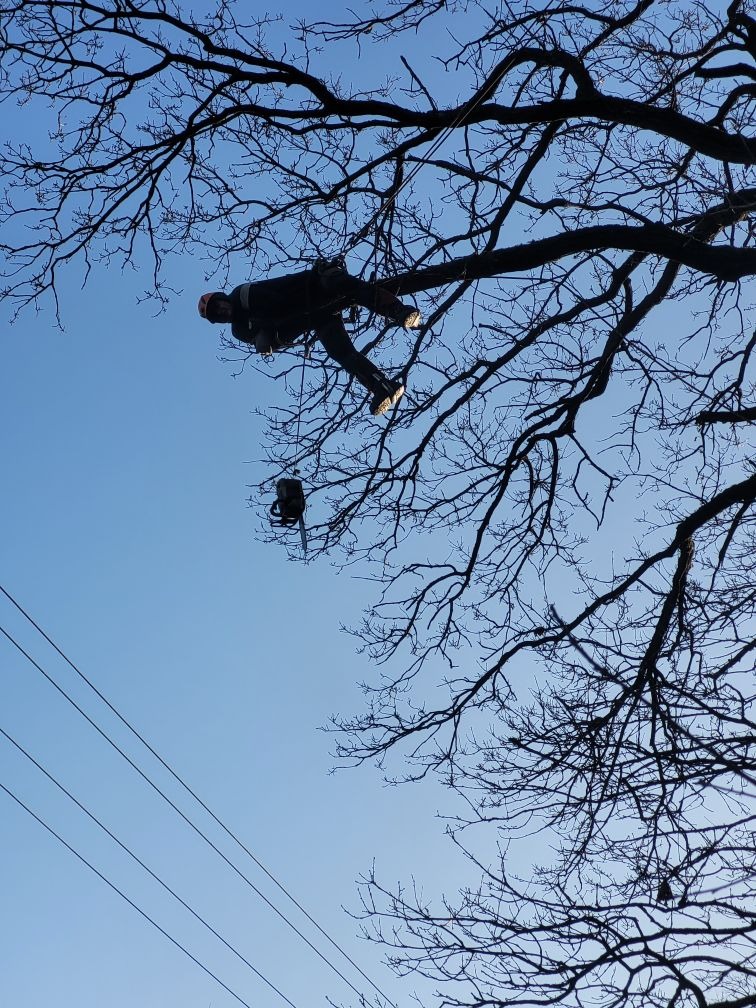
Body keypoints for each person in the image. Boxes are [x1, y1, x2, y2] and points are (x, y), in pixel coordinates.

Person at [198, 258, 421, 416]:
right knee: (340, 352)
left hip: (315, 286)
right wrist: (267, 339)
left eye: (220, 306)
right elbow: (274, 340)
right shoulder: (239, 331)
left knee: (345, 286)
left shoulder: (242, 294)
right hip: (314, 317)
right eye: (217, 315)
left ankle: (398, 311)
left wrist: (265, 327)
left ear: (223, 298)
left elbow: (278, 304)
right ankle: (383, 387)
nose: (222, 312)